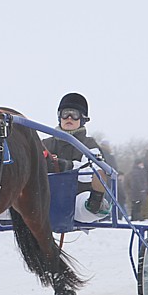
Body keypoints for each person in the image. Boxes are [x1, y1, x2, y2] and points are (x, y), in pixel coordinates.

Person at [42, 92, 109, 222]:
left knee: (84, 203)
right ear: (59, 117)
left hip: (77, 196)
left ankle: (95, 203)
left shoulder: (89, 144)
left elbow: (90, 172)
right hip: (46, 197)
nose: (69, 118)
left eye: (74, 115)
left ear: (83, 118)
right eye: (65, 113)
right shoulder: (45, 144)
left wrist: (66, 166)